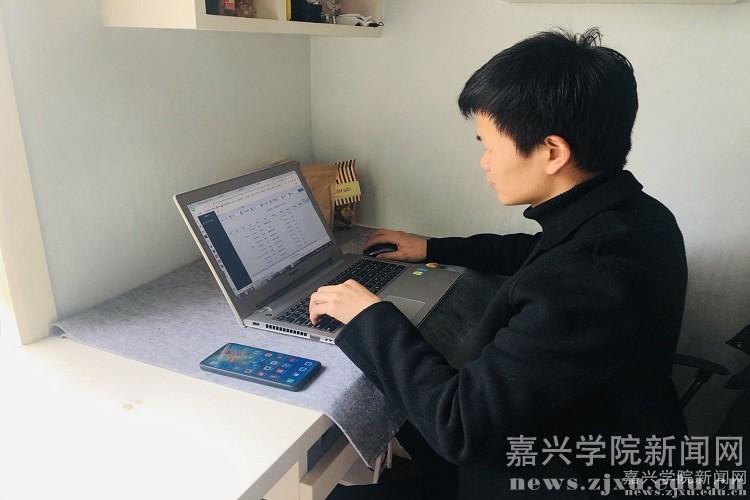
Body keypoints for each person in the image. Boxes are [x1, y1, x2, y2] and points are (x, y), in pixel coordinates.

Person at [313, 28, 688, 499]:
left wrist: (370, 317)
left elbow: (459, 425)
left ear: (552, 152)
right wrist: (433, 247)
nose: (484, 162)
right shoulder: (632, 217)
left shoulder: (589, 281)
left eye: (490, 146)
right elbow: (535, 253)